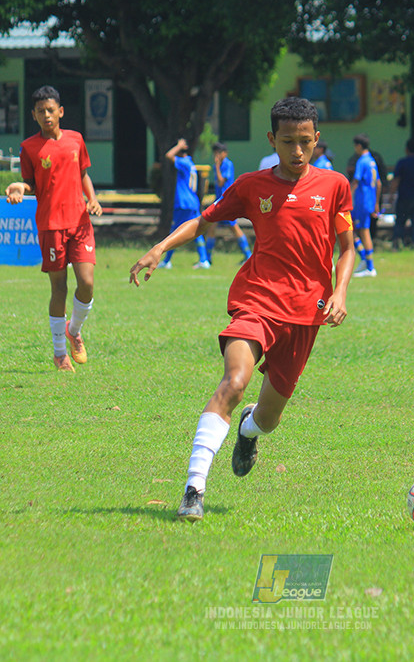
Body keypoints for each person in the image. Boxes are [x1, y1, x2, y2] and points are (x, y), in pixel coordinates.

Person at [129, 97, 355, 522]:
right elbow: (205, 219)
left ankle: (248, 431)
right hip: (258, 301)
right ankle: (194, 489)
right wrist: (160, 247)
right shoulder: (252, 186)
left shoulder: (334, 186)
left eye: (306, 142)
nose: (297, 151)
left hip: (307, 313)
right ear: (272, 139)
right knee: (234, 382)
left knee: (268, 419)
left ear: (317, 140)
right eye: (288, 141)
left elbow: (347, 248)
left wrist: (340, 292)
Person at [5, 85, 102, 373]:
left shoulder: (76, 140)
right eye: (40, 112)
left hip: (80, 222)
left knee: (86, 283)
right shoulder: (29, 148)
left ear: (60, 112)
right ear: (33, 115)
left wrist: (93, 199)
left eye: (51, 110)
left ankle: (74, 330)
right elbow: (30, 184)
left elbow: (83, 173)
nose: (46, 115)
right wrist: (19, 187)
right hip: (50, 225)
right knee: (59, 287)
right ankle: (60, 353)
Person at [162, 138, 210, 270]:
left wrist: (178, 146)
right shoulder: (190, 162)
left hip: (183, 202)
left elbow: (168, 155)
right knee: (196, 231)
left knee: (174, 232)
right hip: (192, 202)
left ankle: (167, 261)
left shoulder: (183, 162)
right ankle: (204, 259)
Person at [205, 142, 252, 263]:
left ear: (224, 153)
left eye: (218, 153)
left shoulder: (227, 164)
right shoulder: (220, 164)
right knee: (211, 226)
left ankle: (248, 255)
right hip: (219, 201)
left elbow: (221, 182)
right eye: (215, 153)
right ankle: (207, 258)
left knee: (234, 228)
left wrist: (216, 166)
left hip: (227, 202)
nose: (216, 155)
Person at [350, 133, 381, 277]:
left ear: (358, 146)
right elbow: (379, 183)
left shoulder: (362, 161)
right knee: (354, 229)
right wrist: (376, 202)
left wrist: (347, 195)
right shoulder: (372, 161)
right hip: (369, 200)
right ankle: (364, 259)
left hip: (362, 201)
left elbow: (356, 181)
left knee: (363, 230)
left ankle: (369, 266)